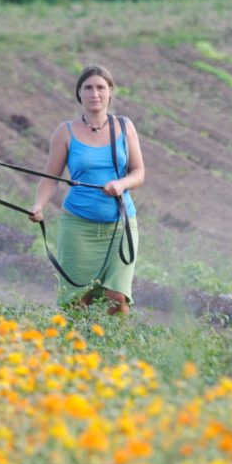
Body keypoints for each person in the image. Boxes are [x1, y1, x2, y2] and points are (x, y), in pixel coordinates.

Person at [29, 65, 145, 315]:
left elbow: (138, 173)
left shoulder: (125, 127)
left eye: (101, 87)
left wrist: (120, 184)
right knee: (77, 301)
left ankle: (118, 350)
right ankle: (78, 349)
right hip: (78, 227)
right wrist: (38, 206)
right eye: (88, 88)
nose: (95, 93)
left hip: (120, 225)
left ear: (110, 92)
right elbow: (50, 177)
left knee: (117, 297)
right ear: (79, 93)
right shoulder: (65, 131)